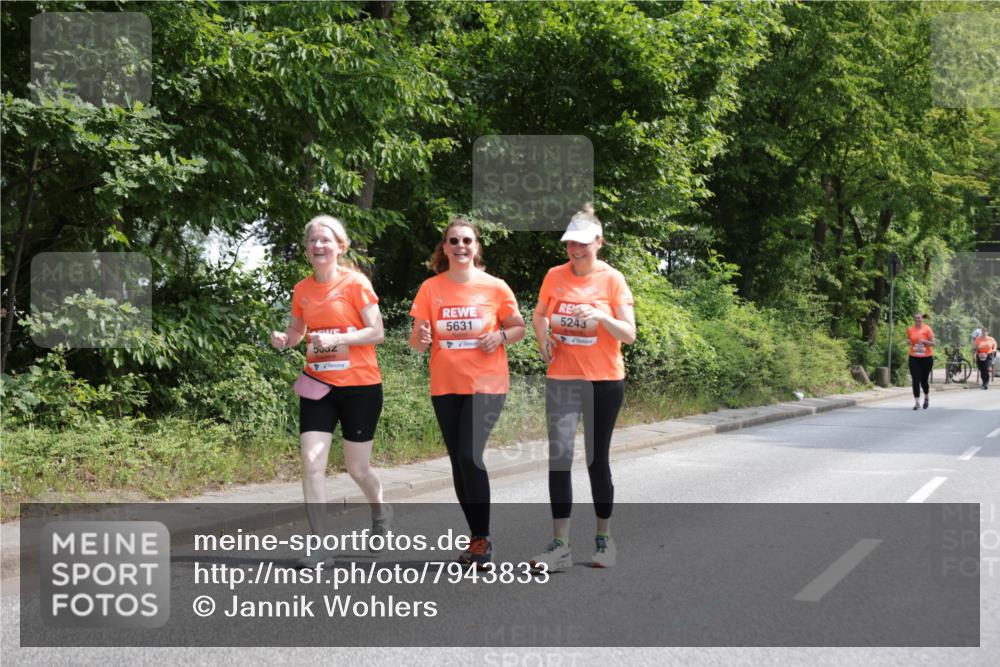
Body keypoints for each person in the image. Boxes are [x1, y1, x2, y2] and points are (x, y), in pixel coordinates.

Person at [270, 215, 390, 566]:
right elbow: (296, 334)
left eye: (326, 241)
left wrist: (338, 337)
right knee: (310, 462)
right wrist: (284, 340)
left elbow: (377, 332)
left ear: (341, 246)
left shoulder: (355, 284)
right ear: (307, 248)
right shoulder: (302, 289)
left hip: (360, 387)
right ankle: (321, 545)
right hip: (318, 384)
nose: (318, 246)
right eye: (313, 241)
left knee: (357, 469)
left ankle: (381, 512)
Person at [408, 217, 526, 568]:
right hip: (445, 384)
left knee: (470, 455)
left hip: (487, 383)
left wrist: (500, 336)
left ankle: (484, 540)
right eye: (454, 241)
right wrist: (421, 339)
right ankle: (477, 539)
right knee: (459, 461)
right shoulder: (431, 288)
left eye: (467, 241)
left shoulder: (495, 287)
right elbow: (416, 341)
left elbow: (518, 327)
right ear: (444, 248)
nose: (461, 246)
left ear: (477, 247)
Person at [529, 204, 636, 571]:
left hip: (604, 382)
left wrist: (603, 316)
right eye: (570, 244)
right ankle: (560, 545)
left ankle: (604, 541)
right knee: (559, 460)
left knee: (595, 460)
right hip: (562, 379)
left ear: (599, 243)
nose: (576, 250)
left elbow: (630, 334)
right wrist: (543, 341)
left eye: (583, 244)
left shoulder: (613, 280)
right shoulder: (554, 276)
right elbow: (540, 314)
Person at [906, 313, 935, 410]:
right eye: (916, 318)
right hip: (914, 357)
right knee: (915, 380)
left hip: (926, 358)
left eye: (919, 318)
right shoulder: (910, 329)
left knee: (924, 381)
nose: (917, 319)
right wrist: (909, 342)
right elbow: (909, 340)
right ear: (914, 319)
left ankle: (926, 397)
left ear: (922, 319)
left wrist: (925, 342)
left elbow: (933, 343)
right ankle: (917, 402)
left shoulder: (927, 329)